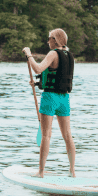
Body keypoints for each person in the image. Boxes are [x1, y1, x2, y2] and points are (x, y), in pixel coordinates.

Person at [22, 28, 76, 178]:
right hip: (64, 99)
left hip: (50, 99)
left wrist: (29, 55)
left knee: (46, 135)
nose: (47, 41)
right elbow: (57, 76)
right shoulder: (69, 55)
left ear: (55, 39)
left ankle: (40, 172)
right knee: (67, 135)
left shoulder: (53, 53)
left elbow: (38, 68)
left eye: (49, 38)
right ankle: (72, 171)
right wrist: (39, 84)